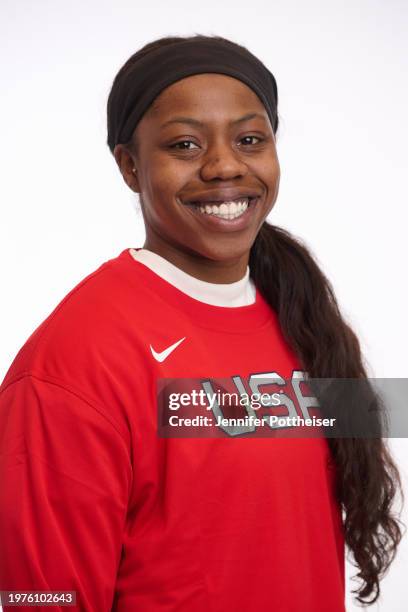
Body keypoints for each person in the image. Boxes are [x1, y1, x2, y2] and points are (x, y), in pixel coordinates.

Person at [0, 34, 404, 612]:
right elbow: (41, 597)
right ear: (129, 165)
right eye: (185, 144)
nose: (224, 166)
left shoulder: (300, 315)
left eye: (248, 139)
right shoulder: (75, 362)